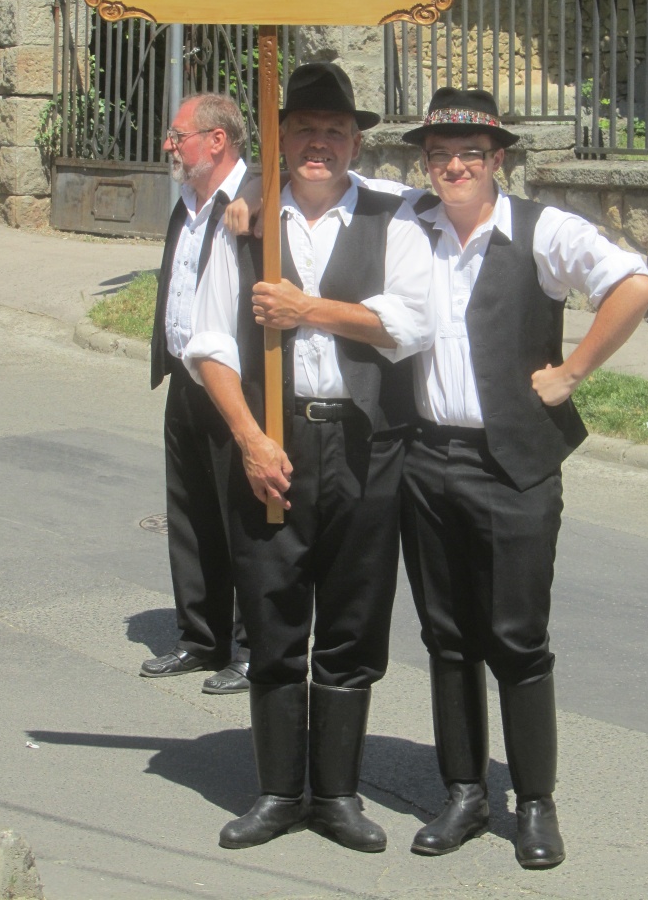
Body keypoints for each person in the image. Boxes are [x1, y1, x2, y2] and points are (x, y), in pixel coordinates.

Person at [397, 87, 648, 871]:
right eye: (440, 155)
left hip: (513, 463)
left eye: (469, 154)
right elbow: (326, 189)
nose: (454, 167)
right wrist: (245, 203)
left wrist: (573, 371)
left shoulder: (541, 230)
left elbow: (635, 283)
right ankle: (464, 793)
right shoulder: (410, 223)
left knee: (516, 638)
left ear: (498, 160)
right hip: (426, 458)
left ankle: (535, 801)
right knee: (447, 637)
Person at [184, 62, 434, 853]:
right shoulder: (245, 226)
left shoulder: (395, 216)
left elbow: (411, 323)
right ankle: (276, 793)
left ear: (355, 142)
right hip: (273, 443)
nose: (319, 143)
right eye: (304, 130)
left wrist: (306, 309)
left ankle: (336, 796)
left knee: (353, 624)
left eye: (334, 131)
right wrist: (251, 438)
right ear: (281, 139)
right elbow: (208, 343)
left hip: (366, 444)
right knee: (272, 615)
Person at [141, 93, 253, 695]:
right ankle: (201, 636)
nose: (169, 144)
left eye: (177, 134)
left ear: (216, 140)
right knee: (190, 513)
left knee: (245, 520)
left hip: (235, 383)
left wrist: (256, 201)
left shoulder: (255, 199)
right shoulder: (187, 203)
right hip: (187, 381)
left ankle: (255, 646)